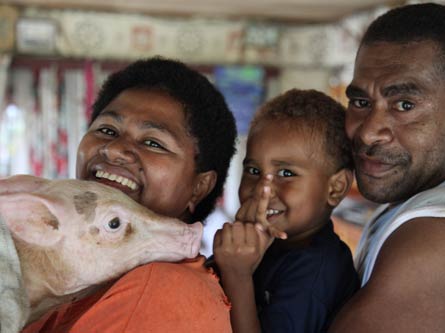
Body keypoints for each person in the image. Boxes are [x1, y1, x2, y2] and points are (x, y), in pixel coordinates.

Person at [22, 56, 237, 332]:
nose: (113, 149)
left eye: (152, 143)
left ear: (199, 186)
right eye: (107, 130)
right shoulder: (83, 278)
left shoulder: (159, 290)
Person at [329, 3, 445, 332]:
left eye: (404, 105)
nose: (368, 131)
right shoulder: (442, 200)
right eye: (361, 103)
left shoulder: (437, 239)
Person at [213, 89, 360, 332]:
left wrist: (237, 274)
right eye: (253, 171)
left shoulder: (316, 273)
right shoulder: (268, 245)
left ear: (335, 188)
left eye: (286, 174)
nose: (263, 190)